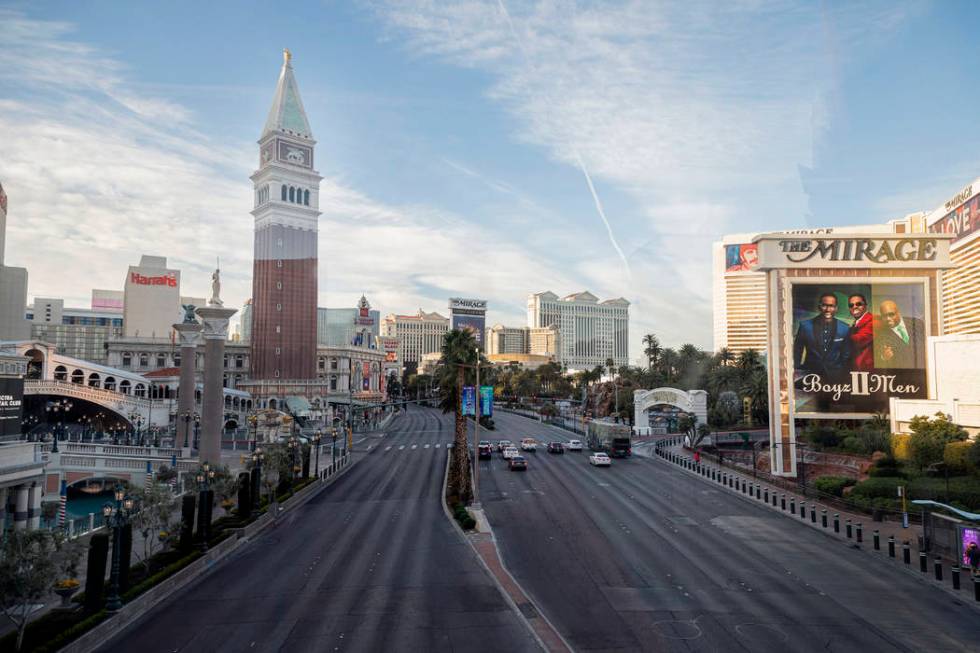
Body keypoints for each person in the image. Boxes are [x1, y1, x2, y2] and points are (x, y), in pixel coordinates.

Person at [793, 292, 852, 380]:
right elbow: (797, 351)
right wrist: (795, 372)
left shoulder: (845, 328)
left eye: (831, 306)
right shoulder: (805, 326)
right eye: (824, 305)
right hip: (809, 375)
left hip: (835, 376)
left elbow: (846, 355)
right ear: (819, 307)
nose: (828, 309)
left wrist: (845, 374)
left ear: (836, 308)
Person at [874, 300, 926, 369]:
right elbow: (878, 360)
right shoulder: (881, 337)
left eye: (891, 314)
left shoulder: (917, 323)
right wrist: (883, 357)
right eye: (884, 316)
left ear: (898, 312)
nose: (888, 319)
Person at [847, 293, 875, 372]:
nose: (854, 307)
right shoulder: (855, 323)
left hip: (867, 370)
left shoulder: (872, 320)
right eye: (851, 305)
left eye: (858, 304)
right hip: (857, 369)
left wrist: (840, 332)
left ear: (865, 305)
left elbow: (859, 340)